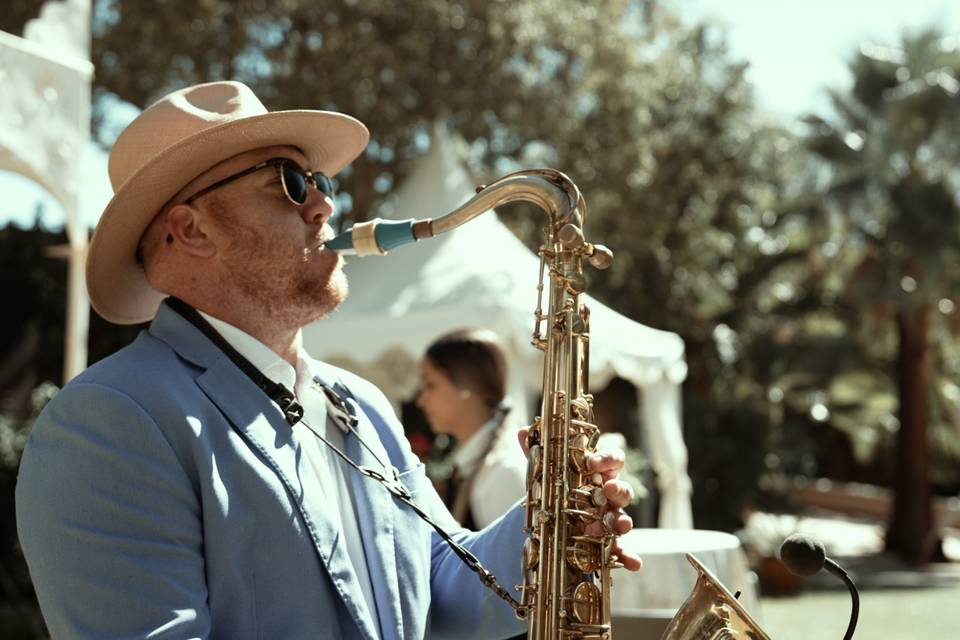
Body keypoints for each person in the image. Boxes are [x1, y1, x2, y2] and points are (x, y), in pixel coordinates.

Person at [15, 81, 640, 640]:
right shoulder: (108, 422)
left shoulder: (360, 403)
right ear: (193, 229)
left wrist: (547, 521)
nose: (324, 207)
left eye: (322, 183)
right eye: (289, 182)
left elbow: (442, 587)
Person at [417, 328, 527, 529]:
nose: (421, 401)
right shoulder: (484, 464)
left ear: (466, 384)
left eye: (430, 384)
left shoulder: (502, 472)